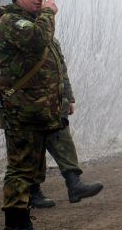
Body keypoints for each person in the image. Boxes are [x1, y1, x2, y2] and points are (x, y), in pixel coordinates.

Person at [0, 0, 67, 230]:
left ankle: (24, 225)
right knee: (19, 170)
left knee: (29, 170)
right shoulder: (12, 22)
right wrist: (48, 13)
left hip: (32, 110)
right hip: (19, 110)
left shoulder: (26, 22)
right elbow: (38, 42)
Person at [27, 39, 104, 208]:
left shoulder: (52, 40)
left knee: (64, 142)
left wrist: (69, 98)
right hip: (32, 104)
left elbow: (62, 71)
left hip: (55, 104)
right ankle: (33, 192)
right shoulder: (28, 34)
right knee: (34, 149)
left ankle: (74, 184)